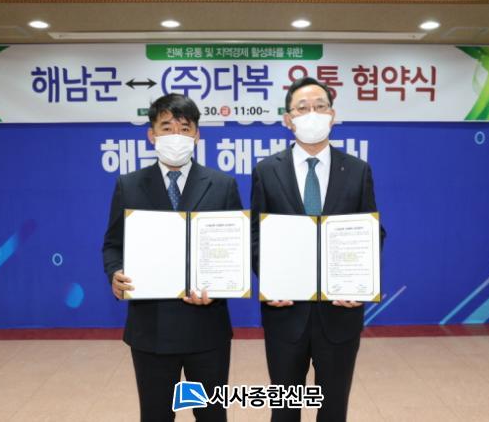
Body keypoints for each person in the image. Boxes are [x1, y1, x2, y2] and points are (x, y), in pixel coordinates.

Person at [251, 77, 385, 422]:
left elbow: (372, 232)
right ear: (288, 119)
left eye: (320, 106)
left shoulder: (357, 170)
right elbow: (256, 235)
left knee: (333, 407)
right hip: (284, 313)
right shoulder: (266, 170)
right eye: (302, 108)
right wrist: (270, 280)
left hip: (340, 313)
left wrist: (361, 283)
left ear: (332, 115)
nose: (312, 114)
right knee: (284, 408)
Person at [102, 93, 242, 422]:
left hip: (206, 329)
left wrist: (220, 287)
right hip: (150, 329)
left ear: (197, 135)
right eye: (166, 127)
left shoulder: (222, 185)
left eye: (185, 127)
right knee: (156, 416)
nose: (176, 135)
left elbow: (235, 250)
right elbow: (112, 244)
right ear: (152, 135)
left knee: (211, 415)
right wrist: (115, 272)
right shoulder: (129, 185)